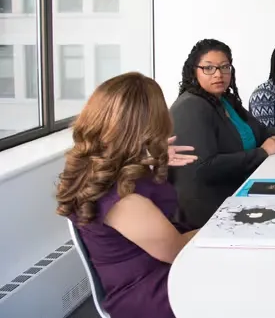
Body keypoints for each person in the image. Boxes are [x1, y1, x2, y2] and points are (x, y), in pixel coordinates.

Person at [55, 72, 198, 318]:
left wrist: (149, 158)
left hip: (152, 269)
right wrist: (220, 228)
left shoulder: (97, 169)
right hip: (151, 291)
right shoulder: (124, 201)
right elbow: (176, 251)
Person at [170, 39, 275, 229]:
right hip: (211, 209)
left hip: (238, 188)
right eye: (209, 68)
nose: (218, 74)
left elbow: (260, 131)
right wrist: (261, 153)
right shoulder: (191, 107)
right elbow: (204, 168)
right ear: (194, 71)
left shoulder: (225, 99)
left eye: (224, 67)